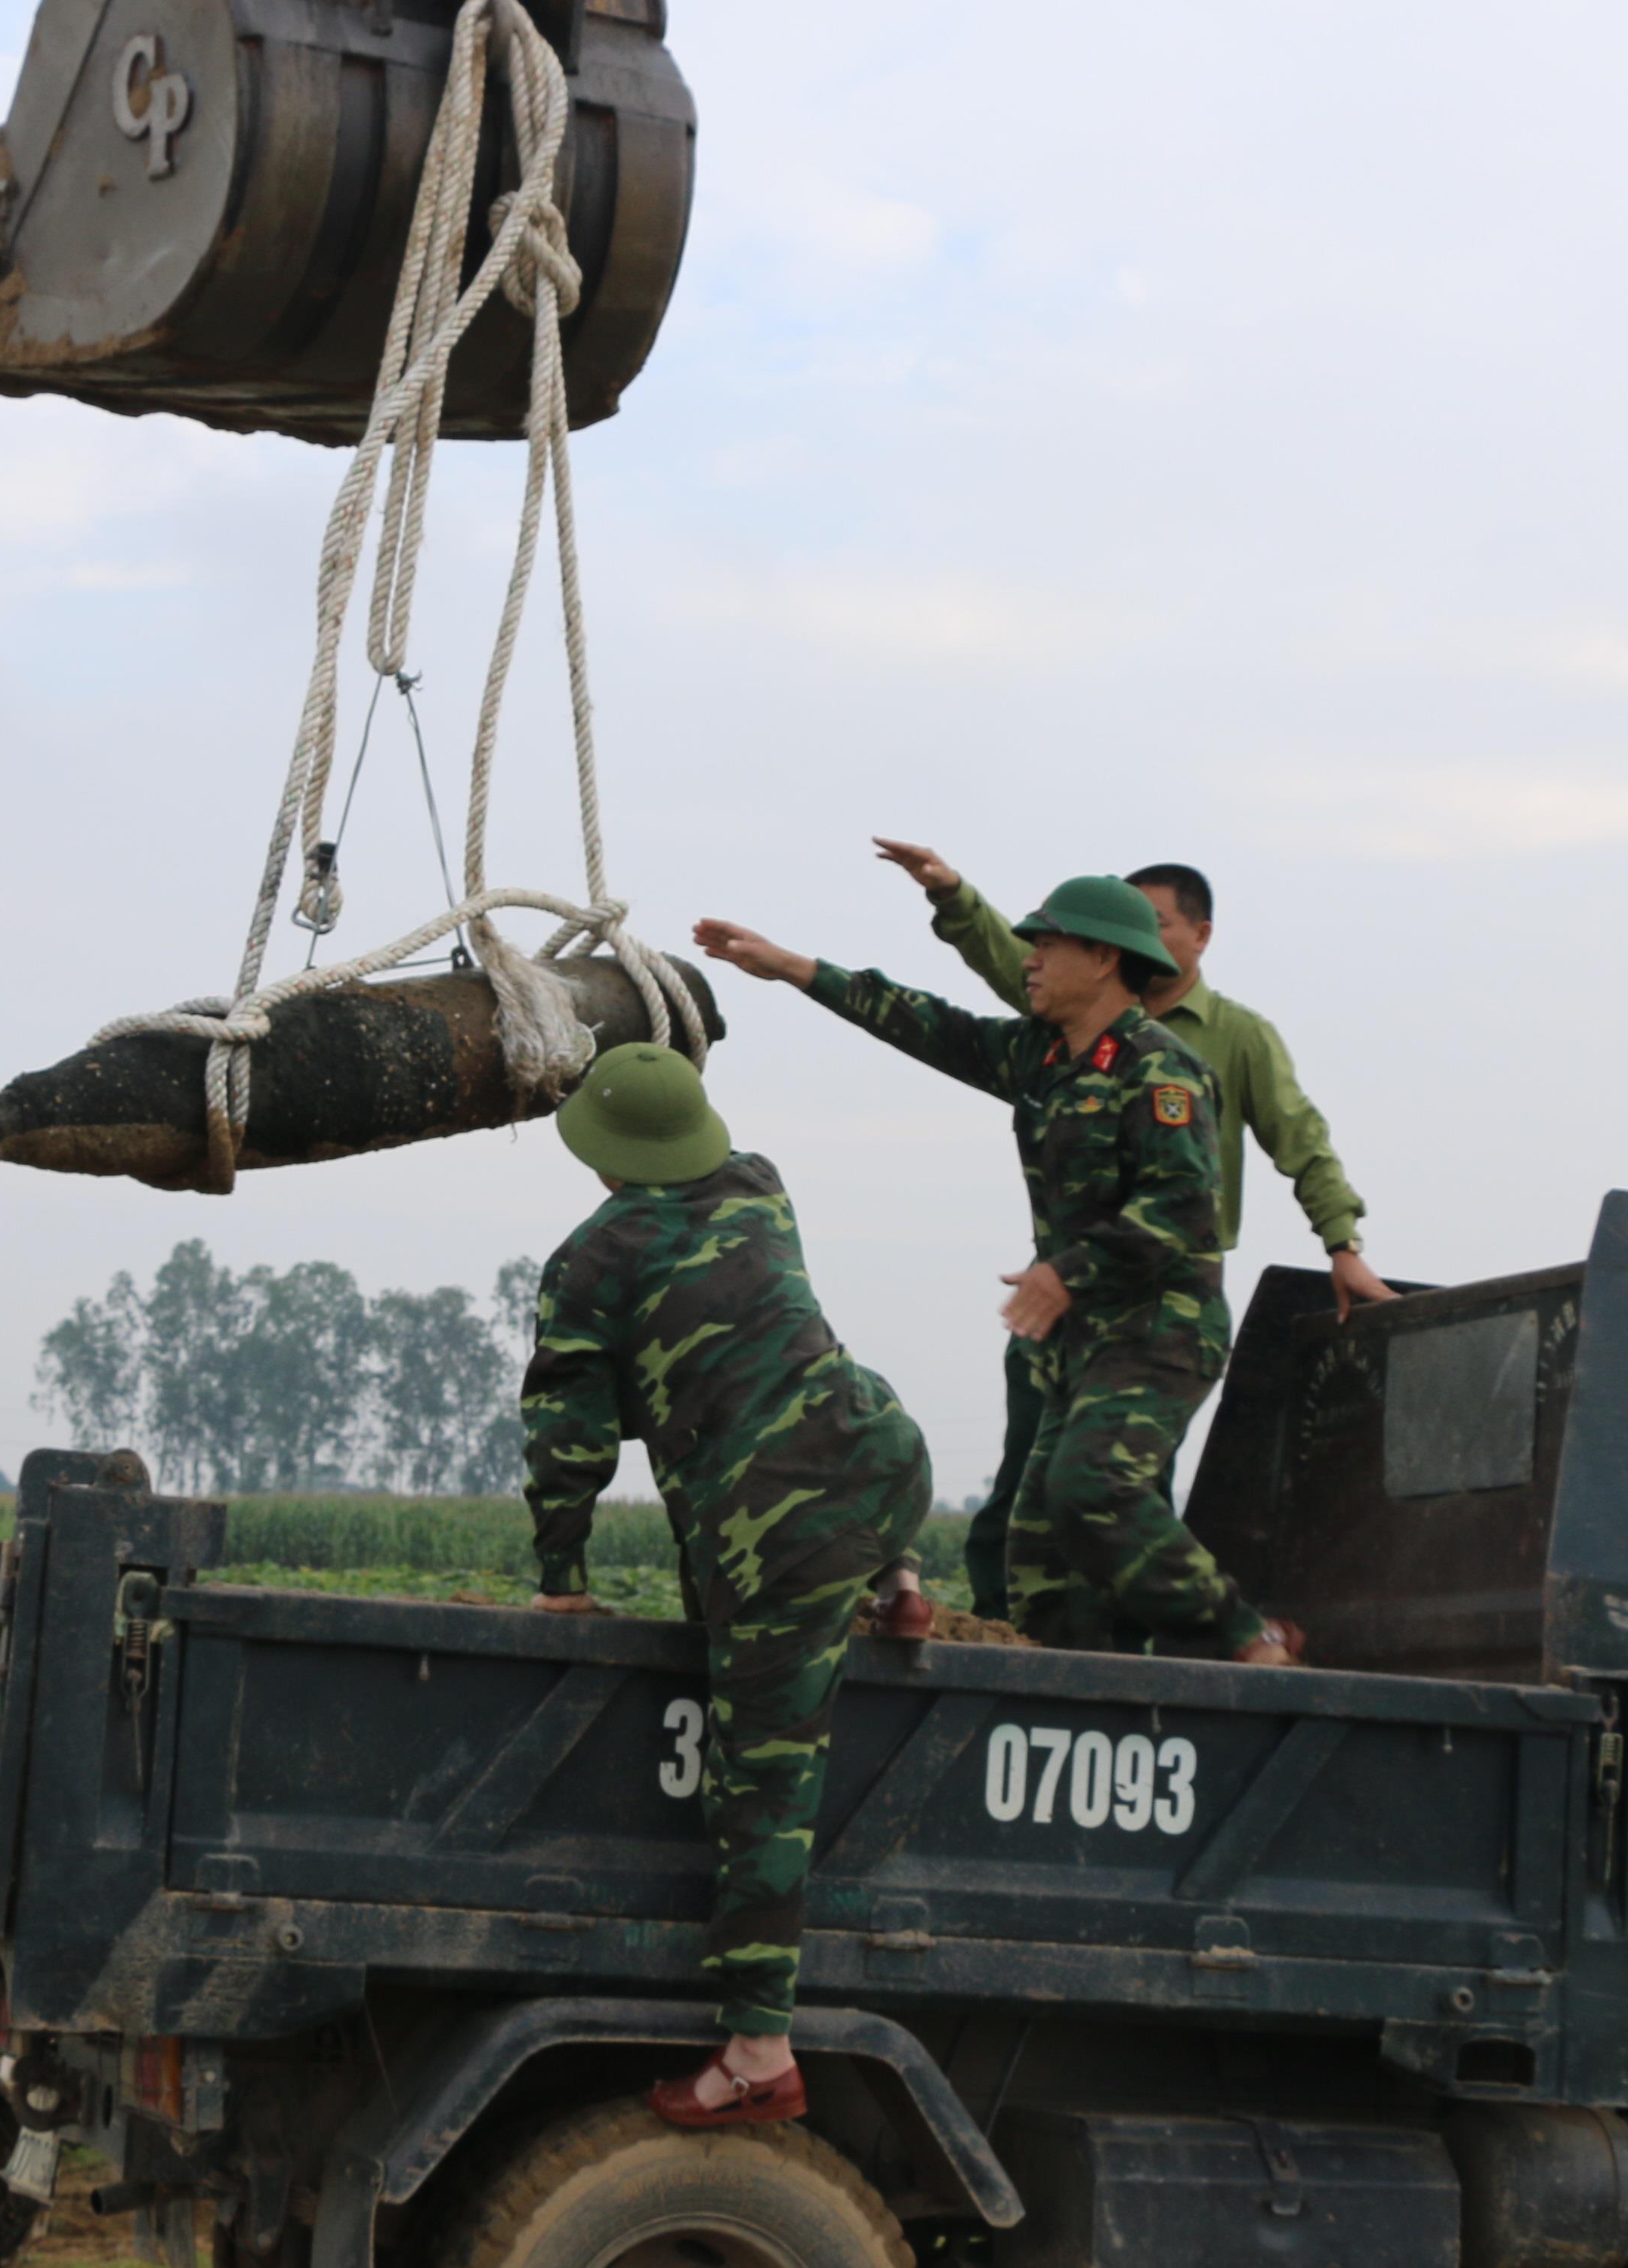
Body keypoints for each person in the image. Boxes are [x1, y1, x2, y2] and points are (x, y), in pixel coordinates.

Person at [693, 883, 1298, 1666]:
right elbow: (928, 1025)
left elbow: (1185, 1209)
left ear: (1106, 958)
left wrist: (1067, 1271)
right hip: (1076, 1341)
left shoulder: (1161, 1072)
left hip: (1158, 1332)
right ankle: (1061, 1690)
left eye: (1048, 946)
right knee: (1038, 1552)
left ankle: (1246, 1641)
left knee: (1095, 1490)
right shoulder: (1039, 1054)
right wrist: (795, 969)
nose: (1031, 960)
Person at [521, 1042, 934, 2130]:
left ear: (601, 1153)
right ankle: (896, 1575)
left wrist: (560, 1575)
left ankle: (757, 2049)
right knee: (825, 1406)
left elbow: (566, 1436)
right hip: (885, 1455)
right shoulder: (760, 1184)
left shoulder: (592, 1258)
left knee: (760, 1785)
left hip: (775, 1528)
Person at [873, 840, 1385, 1618]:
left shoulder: (1227, 1038)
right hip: (1058, 1300)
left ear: (1198, 935)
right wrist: (950, 895)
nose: (1140, 934)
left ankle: (1181, 1644)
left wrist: (1341, 1245)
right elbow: (1003, 969)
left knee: (1112, 1493)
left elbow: (1298, 1139)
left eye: (1156, 919)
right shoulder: (1072, 1025)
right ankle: (1012, 1636)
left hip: (1154, 1306)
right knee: (1026, 1494)